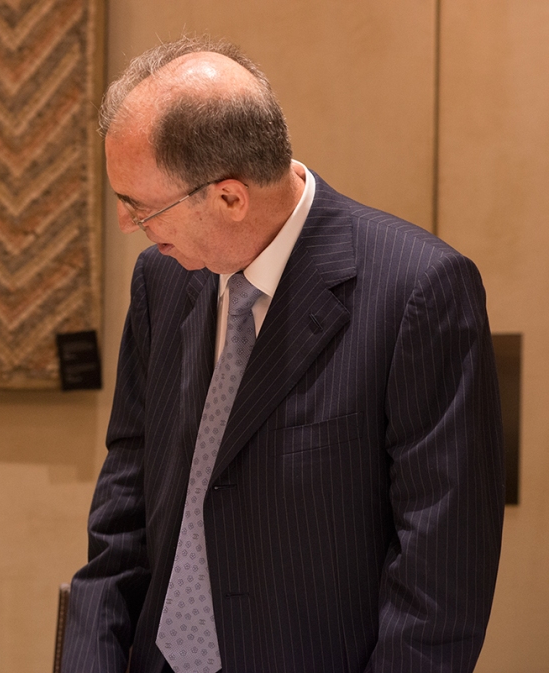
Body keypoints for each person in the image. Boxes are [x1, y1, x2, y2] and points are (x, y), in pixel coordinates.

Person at [62, 37, 504, 672]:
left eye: (141, 205)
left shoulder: (418, 290)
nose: (129, 224)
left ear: (230, 198)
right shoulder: (162, 280)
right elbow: (124, 508)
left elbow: (440, 577)